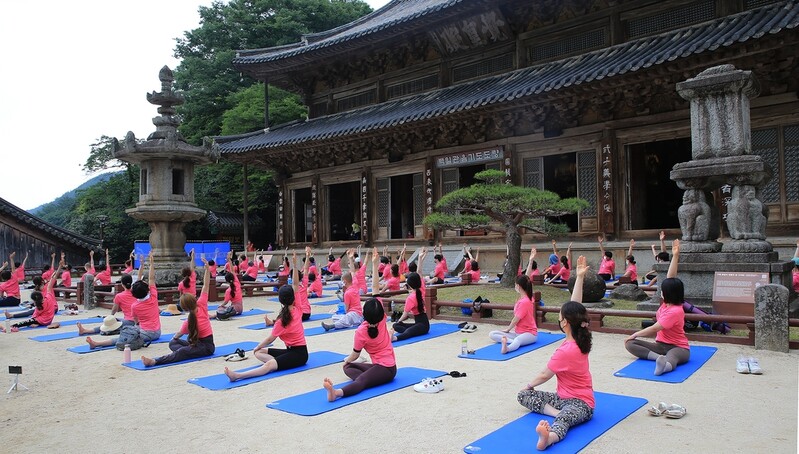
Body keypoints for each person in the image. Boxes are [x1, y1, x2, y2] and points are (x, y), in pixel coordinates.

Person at [517, 255, 594, 451]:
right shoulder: (580, 335)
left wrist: (529, 385)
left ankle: (549, 437)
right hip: (561, 398)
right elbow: (576, 306)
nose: (559, 319)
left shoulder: (566, 350)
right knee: (523, 396)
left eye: (560, 317)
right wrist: (580, 277)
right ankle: (554, 412)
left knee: (564, 418)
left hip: (582, 405)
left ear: (565, 323)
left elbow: (544, 375)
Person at [624, 240, 689, 375]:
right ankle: (658, 358)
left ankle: (666, 366)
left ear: (668, 294)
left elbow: (655, 328)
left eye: (663, 291)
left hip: (679, 348)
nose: (661, 292)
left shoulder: (675, 311)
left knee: (673, 356)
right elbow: (670, 278)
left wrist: (634, 334)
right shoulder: (666, 304)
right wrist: (675, 256)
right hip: (660, 346)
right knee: (630, 344)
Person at [225, 284, 308, 381]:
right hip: (291, 351)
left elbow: (270, 339)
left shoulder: (282, 320)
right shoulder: (297, 309)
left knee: (267, 362)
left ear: (280, 300)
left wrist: (258, 345)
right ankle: (276, 363)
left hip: (300, 355)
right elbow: (295, 283)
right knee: (258, 352)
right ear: (294, 298)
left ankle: (237, 376)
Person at [142, 261, 215, 367]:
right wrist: (207, 270)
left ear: (185, 309)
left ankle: (155, 361)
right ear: (194, 299)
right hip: (197, 345)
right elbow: (206, 285)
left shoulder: (188, 322)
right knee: (174, 344)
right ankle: (187, 352)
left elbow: (177, 336)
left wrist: (177, 339)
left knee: (180, 350)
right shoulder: (201, 304)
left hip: (207, 347)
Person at [323, 298, 397, 402]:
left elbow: (355, 355)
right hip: (380, 367)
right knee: (348, 367)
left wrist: (347, 360)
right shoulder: (382, 319)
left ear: (364, 315)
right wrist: (348, 362)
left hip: (388, 369)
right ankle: (370, 379)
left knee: (361, 379)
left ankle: (336, 393)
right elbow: (377, 297)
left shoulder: (360, 332)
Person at [86, 252, 161, 349]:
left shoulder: (134, 305)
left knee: (124, 336)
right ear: (147, 291)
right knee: (126, 331)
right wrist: (151, 263)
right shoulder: (153, 297)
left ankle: (97, 343)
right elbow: (151, 278)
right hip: (153, 331)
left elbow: (135, 320)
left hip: (148, 332)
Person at [77, 264, 144, 335]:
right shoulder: (136, 292)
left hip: (130, 320)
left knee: (109, 324)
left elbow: (114, 309)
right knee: (113, 322)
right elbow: (139, 278)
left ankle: (86, 331)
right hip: (138, 319)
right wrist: (141, 264)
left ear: (122, 284)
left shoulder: (119, 296)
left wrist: (110, 317)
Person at [489, 274, 538, 354]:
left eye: (515, 284)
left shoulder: (525, 301)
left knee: (518, 340)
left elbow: (516, 319)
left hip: (530, 334)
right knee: (492, 334)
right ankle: (512, 341)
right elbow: (526, 277)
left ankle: (507, 348)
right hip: (517, 333)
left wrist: (508, 329)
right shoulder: (523, 298)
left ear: (518, 286)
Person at [9, 258, 62, 329]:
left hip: (49, 311)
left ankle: (12, 322)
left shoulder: (42, 293)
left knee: (30, 315)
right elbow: (54, 276)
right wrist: (60, 267)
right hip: (48, 316)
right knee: (32, 312)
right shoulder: (48, 293)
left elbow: (35, 315)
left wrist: (35, 321)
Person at [321, 252, 366, 331]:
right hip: (358, 314)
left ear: (345, 282)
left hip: (353, 314)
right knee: (335, 317)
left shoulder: (347, 293)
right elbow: (352, 271)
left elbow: (346, 309)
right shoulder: (354, 284)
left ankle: (332, 326)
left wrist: (351, 259)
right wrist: (350, 258)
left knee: (345, 318)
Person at [390, 272, 430, 342]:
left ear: (410, 285)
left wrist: (399, 321)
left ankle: (395, 338)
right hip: (422, 324)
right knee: (397, 326)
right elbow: (419, 273)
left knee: (407, 331)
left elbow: (405, 314)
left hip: (423, 327)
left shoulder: (411, 298)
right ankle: (414, 331)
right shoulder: (422, 290)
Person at [217, 251, 243, 320]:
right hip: (240, 309)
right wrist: (229, 260)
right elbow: (232, 271)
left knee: (220, 309)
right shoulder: (237, 282)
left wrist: (220, 305)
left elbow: (225, 302)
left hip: (235, 308)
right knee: (226, 310)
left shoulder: (228, 290)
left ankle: (218, 315)